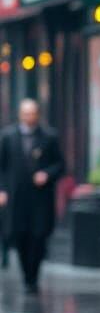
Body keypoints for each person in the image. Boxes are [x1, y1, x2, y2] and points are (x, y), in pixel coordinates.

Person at [0, 99, 65, 294]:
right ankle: (26, 274)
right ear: (20, 114)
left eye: (33, 113)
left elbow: (60, 165)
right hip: (17, 197)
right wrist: (2, 190)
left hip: (40, 198)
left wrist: (47, 174)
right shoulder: (8, 137)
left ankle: (33, 277)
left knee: (38, 236)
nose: (29, 117)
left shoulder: (49, 136)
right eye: (26, 113)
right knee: (19, 235)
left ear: (38, 114)